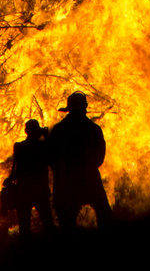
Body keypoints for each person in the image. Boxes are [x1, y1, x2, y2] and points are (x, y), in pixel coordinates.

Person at [46, 92, 112, 229]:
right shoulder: (93, 129)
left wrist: (60, 171)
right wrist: (90, 167)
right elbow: (100, 154)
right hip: (89, 177)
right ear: (85, 107)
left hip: (65, 180)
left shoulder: (58, 130)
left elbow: (50, 156)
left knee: (66, 222)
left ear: (68, 108)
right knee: (104, 214)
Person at [10, 119, 53, 236]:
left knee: (24, 226)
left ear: (26, 131)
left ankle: (25, 249)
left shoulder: (18, 146)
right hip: (40, 189)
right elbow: (51, 158)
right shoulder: (43, 146)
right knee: (48, 223)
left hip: (23, 189)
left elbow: (16, 168)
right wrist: (46, 136)